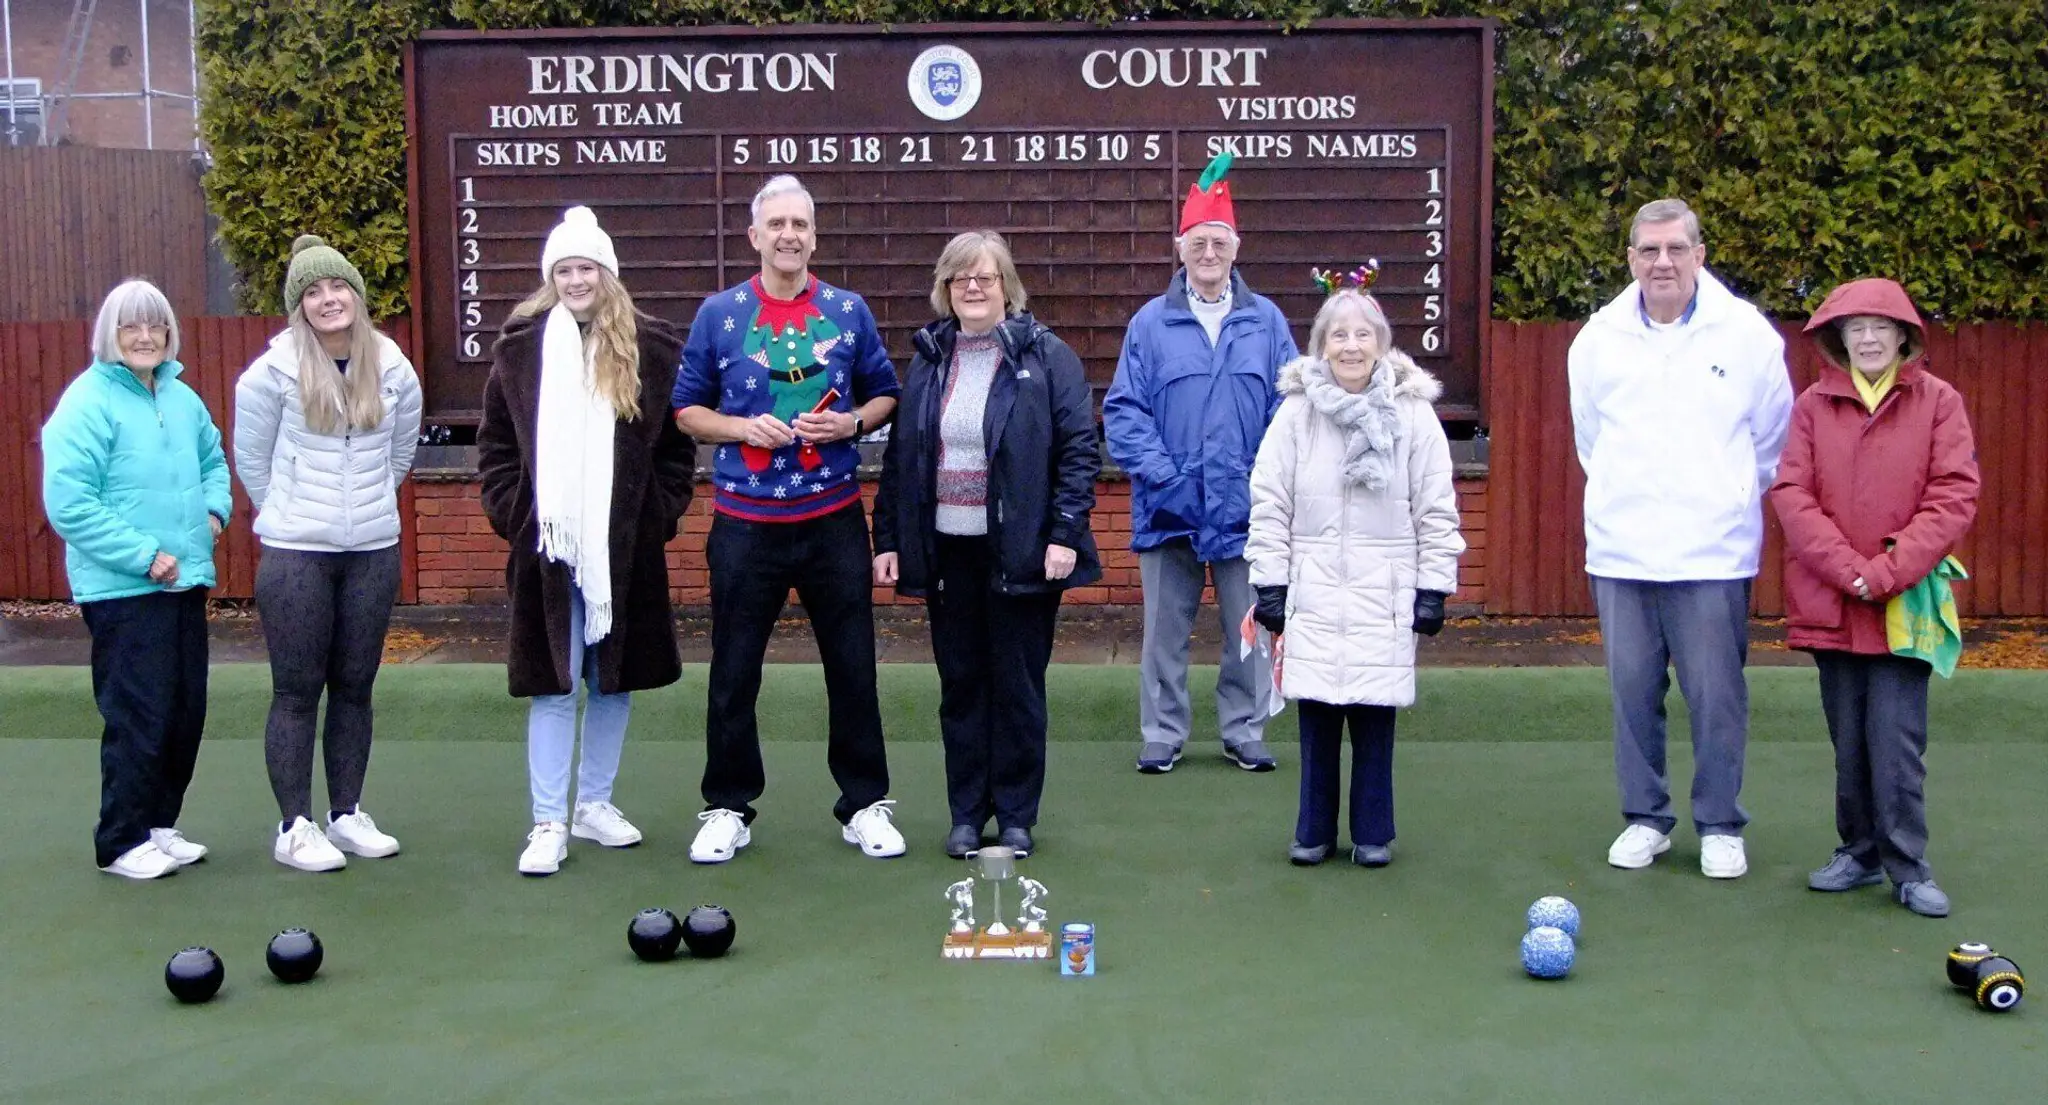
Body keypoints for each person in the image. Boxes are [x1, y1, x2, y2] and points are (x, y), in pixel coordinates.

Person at [672, 174, 906, 864]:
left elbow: (886, 391)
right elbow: (686, 409)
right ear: (755, 236)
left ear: (813, 235)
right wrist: (744, 426)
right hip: (745, 524)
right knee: (734, 670)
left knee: (853, 666)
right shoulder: (720, 313)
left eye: (799, 224)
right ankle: (726, 806)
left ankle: (864, 802)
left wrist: (850, 422)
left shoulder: (848, 310)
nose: (788, 235)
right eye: (775, 224)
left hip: (833, 519)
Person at [1568, 197, 1793, 879]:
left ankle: (1721, 823)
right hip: (1622, 552)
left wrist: (1718, 502)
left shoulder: (1747, 335)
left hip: (1713, 554)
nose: (1661, 262)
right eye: (1648, 250)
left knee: (1716, 695)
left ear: (1700, 254)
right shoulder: (1598, 339)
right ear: (1630, 259)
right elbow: (1591, 443)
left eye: (1675, 249)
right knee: (1633, 693)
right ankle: (1646, 818)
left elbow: (1770, 440)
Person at [478, 205, 696, 876]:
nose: (576, 280)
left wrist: (653, 515)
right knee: (555, 680)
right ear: (552, 276)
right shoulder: (518, 350)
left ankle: (593, 804)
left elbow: (674, 451)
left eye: (587, 268)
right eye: (564, 269)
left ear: (608, 273)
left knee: (613, 679)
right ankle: (548, 819)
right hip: (548, 551)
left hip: (623, 550)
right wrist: (518, 513)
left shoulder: (654, 348)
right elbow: (496, 450)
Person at [872, 230, 1103, 859]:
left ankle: (1018, 815)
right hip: (950, 554)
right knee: (962, 688)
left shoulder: (1046, 356)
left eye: (986, 277)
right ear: (945, 289)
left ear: (1007, 287)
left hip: (1024, 552)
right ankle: (968, 814)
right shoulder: (929, 358)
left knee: (1018, 688)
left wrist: (1064, 533)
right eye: (960, 278)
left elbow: (1079, 451)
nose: (973, 288)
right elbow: (902, 457)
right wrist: (889, 537)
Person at [1769, 278, 1978, 917]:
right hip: (1832, 604)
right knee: (1850, 738)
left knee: (1896, 739)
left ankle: (1908, 867)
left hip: (1904, 606)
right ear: (1839, 338)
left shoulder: (1939, 401)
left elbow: (1953, 495)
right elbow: (1791, 494)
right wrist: (1847, 571)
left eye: (1879, 328)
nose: (1867, 338)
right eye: (1855, 328)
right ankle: (1857, 853)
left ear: (1903, 337)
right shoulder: (1812, 405)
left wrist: (1885, 572)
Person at [1244, 282, 1463, 867]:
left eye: (1362, 334)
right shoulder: (1296, 414)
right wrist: (1269, 581)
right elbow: (1270, 500)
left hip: (1384, 589)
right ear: (1320, 346)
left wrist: (1435, 586)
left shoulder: (1413, 415)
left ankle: (1372, 832)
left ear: (1382, 344)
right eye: (1337, 334)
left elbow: (1436, 506)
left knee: (1372, 716)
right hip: (1312, 585)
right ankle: (1313, 831)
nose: (1350, 346)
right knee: (1316, 717)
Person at [1104, 153, 1299, 776]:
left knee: (1249, 626)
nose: (1208, 253)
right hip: (1169, 506)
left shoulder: (1266, 322)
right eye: (1198, 242)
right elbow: (1124, 411)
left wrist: (1259, 482)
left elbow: (1290, 408)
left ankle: (1243, 729)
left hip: (1248, 509)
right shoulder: (1149, 323)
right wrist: (1165, 477)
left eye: (1219, 242)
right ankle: (1162, 732)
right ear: (1179, 248)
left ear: (1235, 248)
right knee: (1164, 630)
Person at [234, 236, 423, 872]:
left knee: (355, 687)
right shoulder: (269, 375)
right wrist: (296, 517)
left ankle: (346, 813)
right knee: (295, 691)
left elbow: (399, 456)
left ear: (356, 295)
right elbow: (253, 465)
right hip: (296, 557)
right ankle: (295, 825)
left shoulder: (395, 369)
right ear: (299, 307)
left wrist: (359, 515)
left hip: (371, 550)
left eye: (336, 287)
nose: (327, 300)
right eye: (311, 292)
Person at [41, 279, 229, 879]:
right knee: (139, 713)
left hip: (184, 582)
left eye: (156, 326)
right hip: (125, 589)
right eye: (131, 326)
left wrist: (215, 510)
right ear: (110, 335)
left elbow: (213, 460)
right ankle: (120, 841)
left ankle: (157, 824)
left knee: (184, 711)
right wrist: (145, 555)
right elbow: (68, 501)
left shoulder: (181, 397)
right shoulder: (87, 401)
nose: (145, 337)